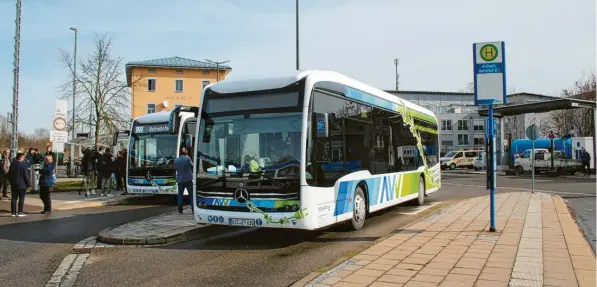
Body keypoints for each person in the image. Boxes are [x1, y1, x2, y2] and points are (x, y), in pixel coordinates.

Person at [8, 152, 29, 217]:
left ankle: (13, 212)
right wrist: (29, 184)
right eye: (23, 157)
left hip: (14, 184)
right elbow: (26, 176)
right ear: (20, 157)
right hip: (22, 185)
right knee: (21, 198)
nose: (24, 159)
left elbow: (9, 175)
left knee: (14, 198)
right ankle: (20, 212)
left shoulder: (12, 165)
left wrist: (11, 182)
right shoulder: (23, 165)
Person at [173, 147, 194, 214]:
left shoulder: (176, 160)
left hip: (180, 179)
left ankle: (180, 209)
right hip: (188, 179)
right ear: (186, 152)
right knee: (191, 195)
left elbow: (175, 168)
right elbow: (192, 165)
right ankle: (193, 208)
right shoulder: (187, 158)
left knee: (180, 194)